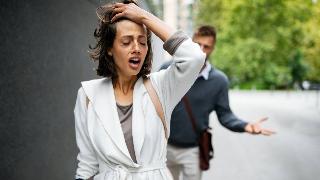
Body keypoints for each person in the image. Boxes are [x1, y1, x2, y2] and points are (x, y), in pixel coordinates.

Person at [73, 0, 206, 179]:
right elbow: (87, 165)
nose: (136, 49)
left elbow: (194, 57)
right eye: (126, 42)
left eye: (142, 42)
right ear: (110, 49)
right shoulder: (88, 95)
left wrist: (144, 16)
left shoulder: (161, 87)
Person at [161, 25, 275, 180]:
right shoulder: (168, 69)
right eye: (197, 44)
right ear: (191, 43)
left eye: (206, 46)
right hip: (163, 147)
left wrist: (245, 126)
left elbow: (225, 115)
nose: (201, 50)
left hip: (193, 151)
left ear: (212, 49)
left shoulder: (219, 81)